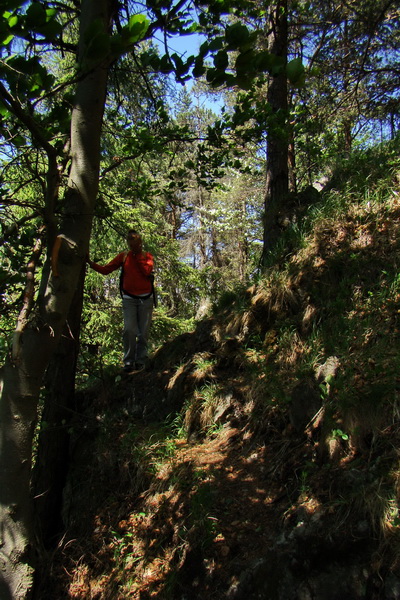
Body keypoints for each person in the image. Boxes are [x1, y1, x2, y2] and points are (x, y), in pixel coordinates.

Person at [87, 230, 154, 373]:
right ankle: (129, 362)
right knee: (129, 330)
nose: (132, 244)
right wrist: (90, 263)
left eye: (135, 242)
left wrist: (138, 256)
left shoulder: (147, 256)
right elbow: (106, 270)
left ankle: (141, 360)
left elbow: (147, 271)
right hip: (129, 298)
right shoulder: (123, 257)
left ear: (140, 242)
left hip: (146, 298)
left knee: (143, 332)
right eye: (130, 242)